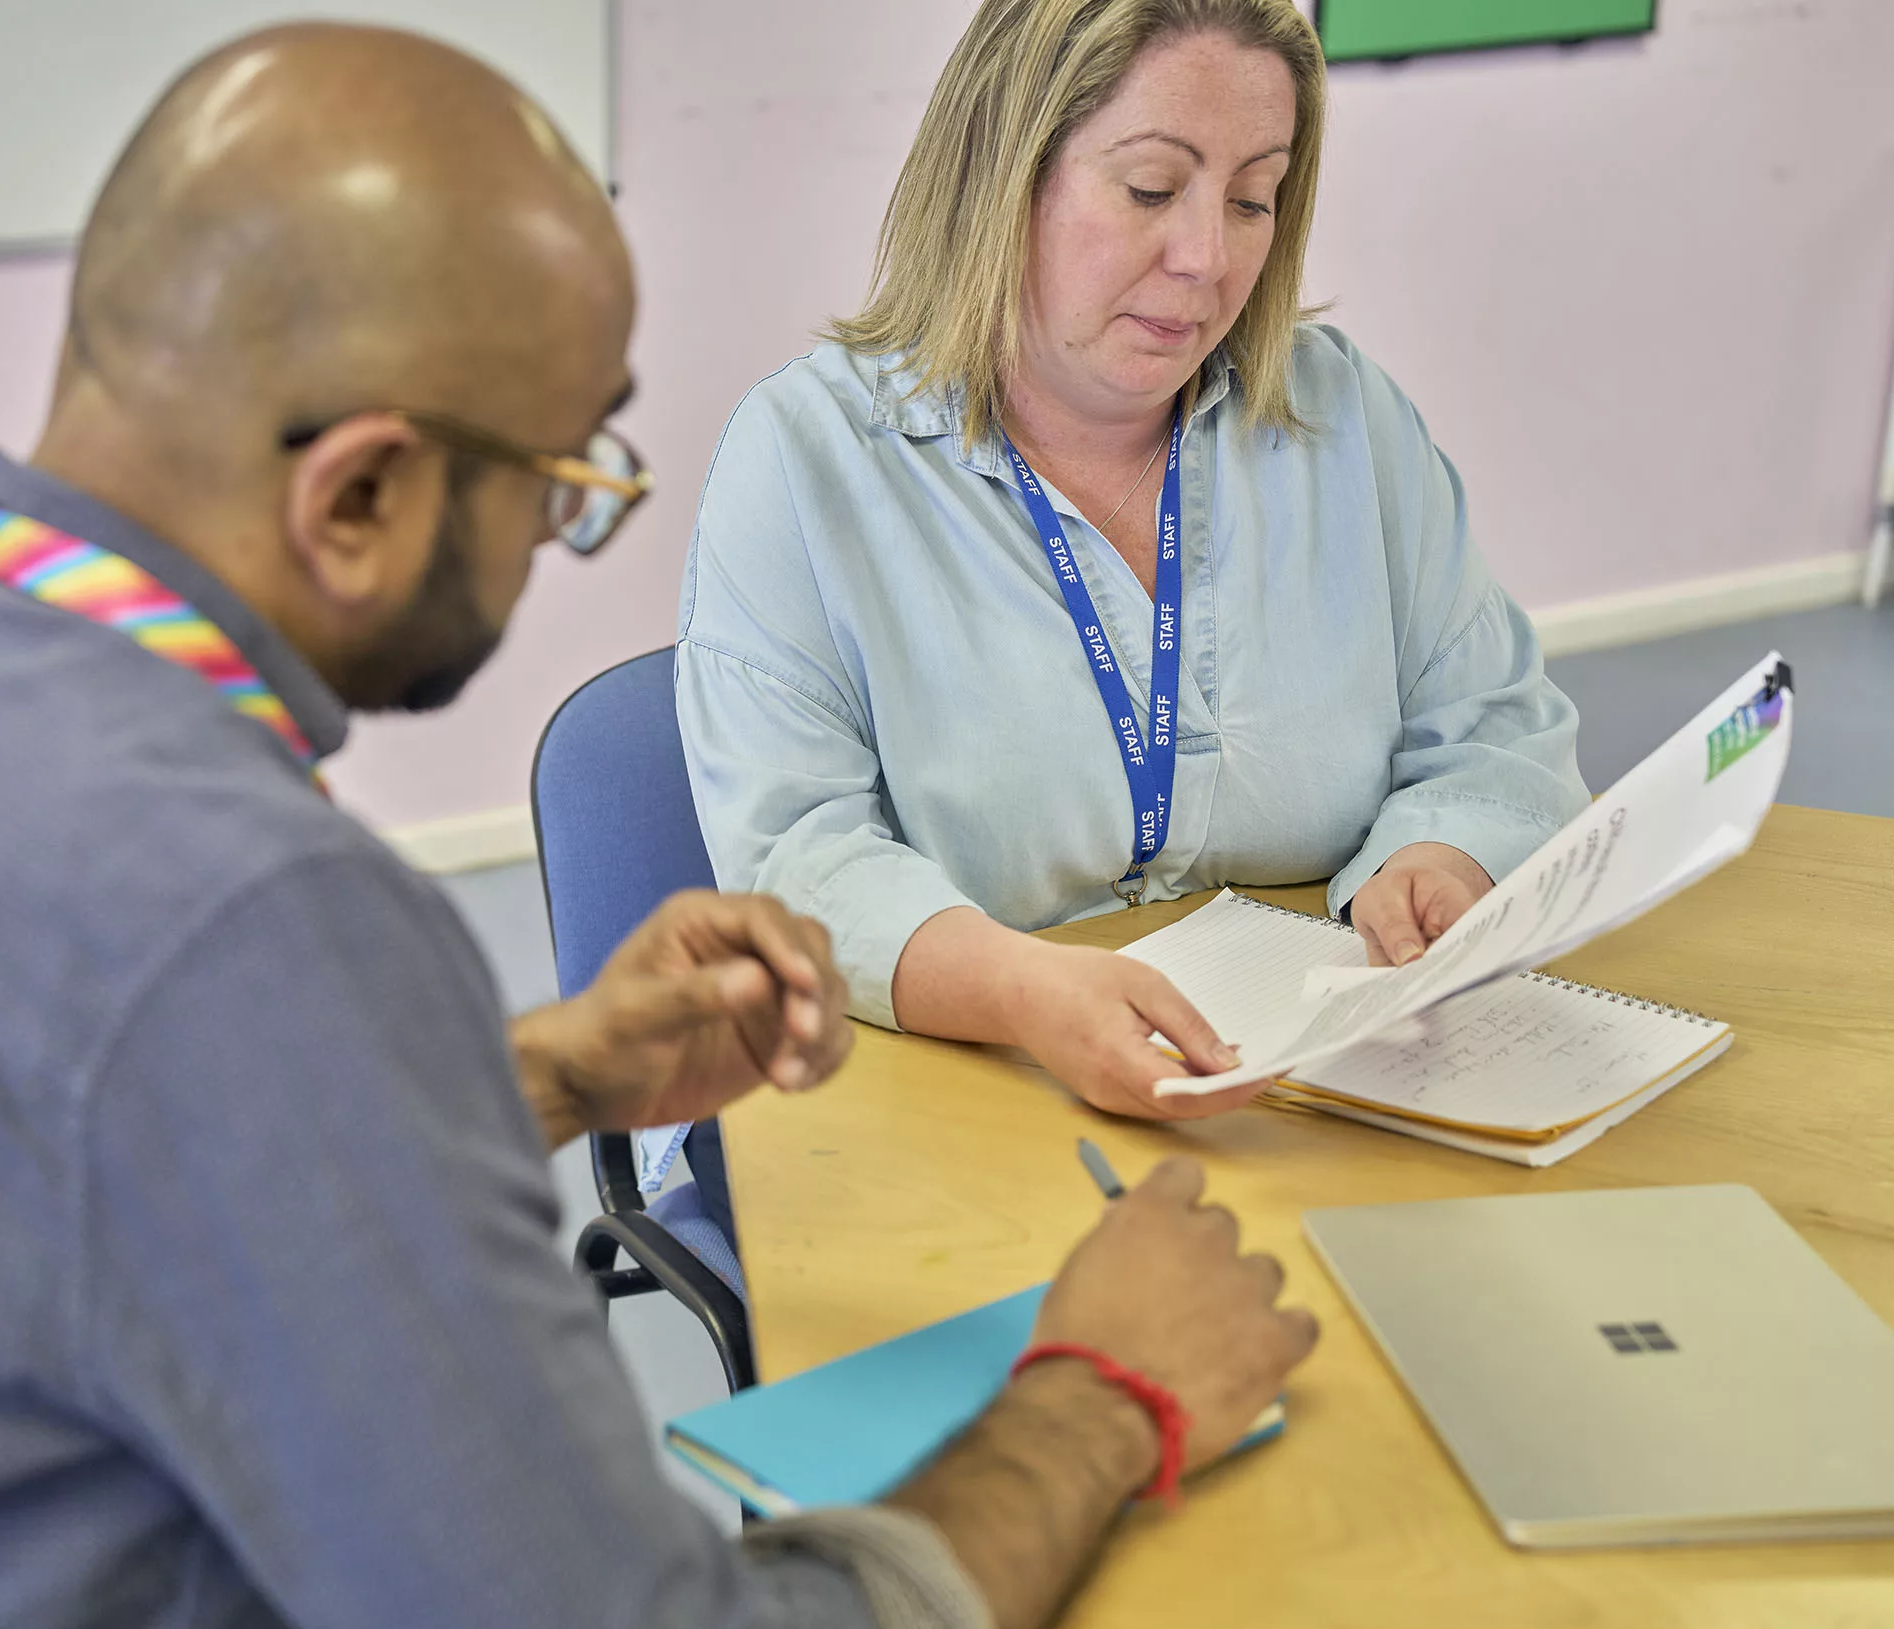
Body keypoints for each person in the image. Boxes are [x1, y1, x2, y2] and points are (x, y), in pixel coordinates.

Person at [0, 24, 1315, 1629]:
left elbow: (44, 1152)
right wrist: (1101, 1390)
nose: (564, 529)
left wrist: (520, 1074)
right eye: (559, 480)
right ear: (361, 496)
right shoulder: (252, 922)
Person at [676, 0, 1591, 1124]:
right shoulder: (806, 459)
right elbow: (794, 859)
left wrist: (1442, 861)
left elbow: (1496, 726)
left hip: (1313, 1080)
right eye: (1152, 189)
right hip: (951, 1088)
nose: (1208, 257)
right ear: (1000, 177)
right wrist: (1019, 990)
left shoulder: (1342, 418)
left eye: (1252, 198)